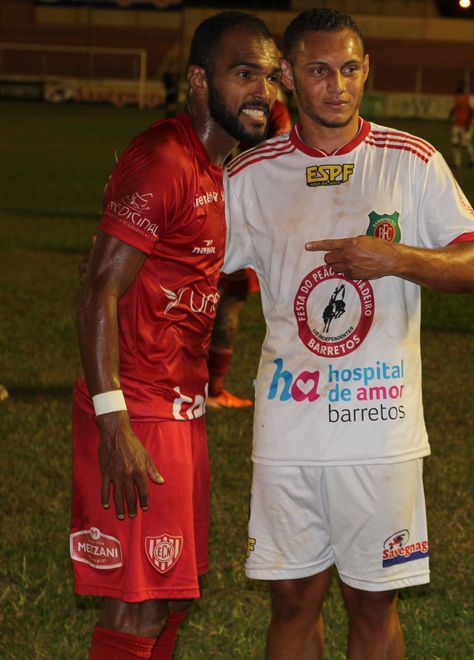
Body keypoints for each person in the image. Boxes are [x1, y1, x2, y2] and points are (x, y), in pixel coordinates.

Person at [222, 8, 474, 658]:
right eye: (319, 71)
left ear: (366, 69)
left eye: (349, 69)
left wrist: (396, 257)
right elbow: (195, 266)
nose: (337, 86)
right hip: (288, 425)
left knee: (372, 603)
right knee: (291, 600)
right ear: (287, 76)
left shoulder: (412, 162)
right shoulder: (250, 177)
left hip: (380, 430)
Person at [71, 12, 280, 659]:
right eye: (245, 74)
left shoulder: (219, 166)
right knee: (137, 606)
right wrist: (114, 424)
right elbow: (97, 291)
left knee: (173, 596)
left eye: (271, 78)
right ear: (198, 80)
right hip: (136, 409)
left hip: (181, 409)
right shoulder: (164, 158)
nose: (263, 93)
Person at [207, 93, 294, 409]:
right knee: (230, 299)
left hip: (207, 202)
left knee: (198, 295)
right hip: (243, 213)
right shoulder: (276, 111)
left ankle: (185, 381)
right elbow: (283, 159)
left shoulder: (220, 99)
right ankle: (212, 390)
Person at [449, 79, 474, 169]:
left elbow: (472, 111)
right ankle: (457, 164)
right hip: (457, 124)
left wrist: (468, 123)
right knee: (455, 143)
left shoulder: (470, 97)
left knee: (465, 144)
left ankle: (473, 160)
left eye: (462, 85)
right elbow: (453, 109)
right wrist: (449, 118)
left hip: (467, 124)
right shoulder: (456, 97)